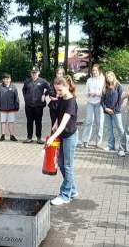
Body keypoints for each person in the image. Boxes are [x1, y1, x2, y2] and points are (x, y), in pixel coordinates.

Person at [47, 76, 79, 206]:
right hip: (63, 135)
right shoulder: (61, 98)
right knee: (61, 163)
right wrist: (54, 123)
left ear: (67, 87)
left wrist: (52, 137)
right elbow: (59, 118)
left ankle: (65, 195)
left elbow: (64, 123)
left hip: (70, 136)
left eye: (60, 90)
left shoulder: (71, 102)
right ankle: (73, 190)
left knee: (68, 165)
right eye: (56, 90)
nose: (57, 93)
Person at [101, 71, 127, 156]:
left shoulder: (118, 86)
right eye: (107, 77)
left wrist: (114, 109)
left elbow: (120, 99)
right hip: (107, 111)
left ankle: (125, 145)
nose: (108, 78)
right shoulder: (105, 87)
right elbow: (102, 100)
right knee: (109, 129)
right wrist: (105, 108)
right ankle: (111, 145)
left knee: (120, 128)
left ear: (113, 76)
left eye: (110, 76)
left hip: (116, 111)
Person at [22, 66, 50, 144]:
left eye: (35, 73)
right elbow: (24, 90)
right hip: (29, 105)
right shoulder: (27, 81)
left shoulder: (43, 81)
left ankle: (39, 138)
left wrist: (44, 95)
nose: (34, 74)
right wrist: (26, 98)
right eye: (32, 73)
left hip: (38, 105)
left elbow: (49, 89)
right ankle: (29, 137)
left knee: (38, 122)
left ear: (38, 73)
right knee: (29, 121)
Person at [81, 65, 105, 148]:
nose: (94, 72)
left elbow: (104, 92)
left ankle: (99, 140)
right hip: (90, 102)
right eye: (93, 70)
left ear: (99, 71)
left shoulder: (103, 80)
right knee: (88, 121)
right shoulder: (89, 80)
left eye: (96, 70)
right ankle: (85, 140)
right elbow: (85, 91)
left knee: (99, 122)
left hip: (99, 103)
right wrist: (88, 93)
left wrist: (96, 94)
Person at [0, 73, 20, 141]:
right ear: (3, 80)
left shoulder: (13, 87)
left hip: (11, 108)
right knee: (3, 122)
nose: (7, 80)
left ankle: (12, 135)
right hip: (2, 108)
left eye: (8, 79)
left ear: (10, 79)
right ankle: (3, 135)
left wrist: (17, 107)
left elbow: (16, 98)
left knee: (11, 122)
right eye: (5, 79)